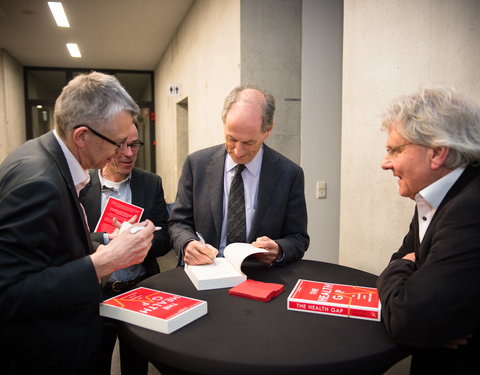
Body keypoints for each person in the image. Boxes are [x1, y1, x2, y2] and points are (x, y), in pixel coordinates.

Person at [0, 71, 156, 375]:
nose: (122, 152)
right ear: (82, 136)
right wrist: (104, 262)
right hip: (49, 354)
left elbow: (53, 247)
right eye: (118, 141)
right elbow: (10, 292)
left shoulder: (37, 151)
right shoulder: (40, 182)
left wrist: (108, 241)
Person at [376, 85, 480, 374]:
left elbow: (407, 319)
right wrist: (404, 270)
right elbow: (401, 259)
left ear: (437, 154)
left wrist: (401, 271)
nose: (385, 163)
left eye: (395, 150)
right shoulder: (429, 196)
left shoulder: (469, 210)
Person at [168, 85, 309, 266]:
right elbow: (178, 223)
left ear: (268, 131)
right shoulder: (197, 165)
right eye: (231, 138)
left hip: (261, 277)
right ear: (224, 123)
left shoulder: (289, 174)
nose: (238, 151)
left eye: (249, 142)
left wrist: (279, 249)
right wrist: (187, 244)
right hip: (206, 271)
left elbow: (298, 238)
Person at [80, 120, 171, 375]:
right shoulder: (81, 185)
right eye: (121, 145)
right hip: (97, 294)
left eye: (135, 145)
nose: (129, 153)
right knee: (95, 363)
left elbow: (166, 239)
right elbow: (73, 239)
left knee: (137, 366)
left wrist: (144, 238)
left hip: (139, 293)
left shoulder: (150, 183)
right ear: (106, 145)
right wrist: (110, 239)